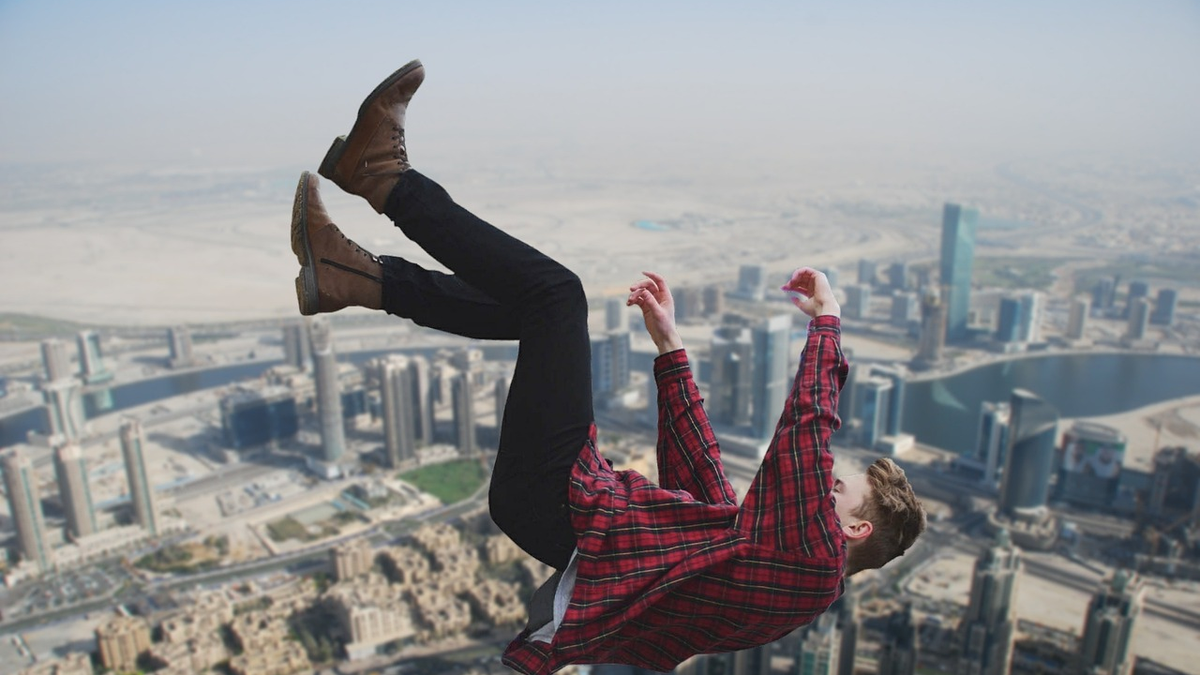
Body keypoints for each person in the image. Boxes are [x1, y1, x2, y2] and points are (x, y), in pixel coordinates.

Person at [291, 59, 926, 675]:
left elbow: (804, 434)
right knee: (535, 312)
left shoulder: (812, 564)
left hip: (562, 503)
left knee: (555, 294)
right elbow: (702, 492)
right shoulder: (781, 570)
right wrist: (671, 352)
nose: (821, 485)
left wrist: (827, 325)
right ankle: (350, 277)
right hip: (561, 509)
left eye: (835, 491)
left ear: (854, 529)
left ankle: (382, 178)